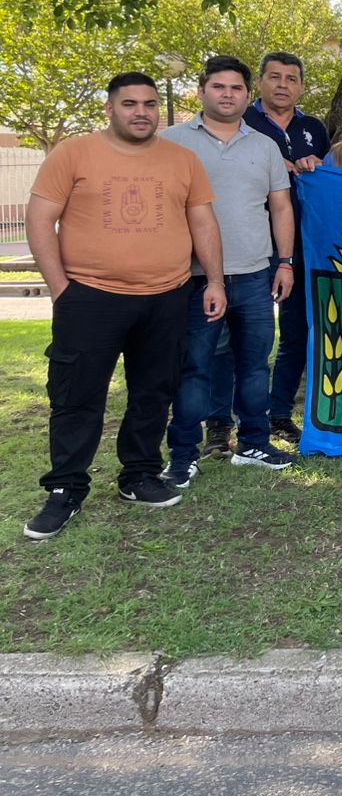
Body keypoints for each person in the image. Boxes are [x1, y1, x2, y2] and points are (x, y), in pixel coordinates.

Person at [22, 73, 226, 540]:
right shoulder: (73, 153)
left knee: (154, 391)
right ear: (109, 108)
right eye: (130, 103)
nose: (141, 112)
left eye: (150, 104)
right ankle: (65, 490)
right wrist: (61, 289)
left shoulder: (182, 159)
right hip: (90, 297)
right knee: (77, 396)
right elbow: (39, 220)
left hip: (167, 295)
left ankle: (139, 474)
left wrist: (214, 280)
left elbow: (203, 222)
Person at [162, 56, 298, 486]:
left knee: (255, 366)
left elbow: (280, 207)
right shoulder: (171, 143)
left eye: (236, 88)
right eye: (218, 87)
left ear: (247, 94)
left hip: (256, 275)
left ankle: (254, 442)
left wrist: (285, 262)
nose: (227, 94)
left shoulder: (265, 146)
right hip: (195, 278)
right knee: (195, 369)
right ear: (202, 90)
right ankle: (183, 454)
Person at [233, 50, 330, 448]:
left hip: (305, 245)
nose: (282, 85)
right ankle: (228, 420)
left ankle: (278, 415)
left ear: (301, 87)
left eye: (291, 79)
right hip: (253, 243)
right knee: (247, 338)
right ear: (260, 83)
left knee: (296, 333)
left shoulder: (314, 127)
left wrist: (316, 165)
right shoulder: (242, 123)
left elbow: (329, 176)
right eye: (275, 77)